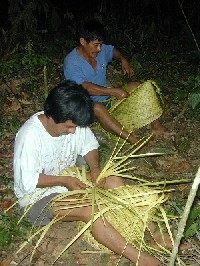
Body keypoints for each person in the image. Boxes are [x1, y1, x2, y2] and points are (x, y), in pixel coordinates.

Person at [13, 80, 162, 265]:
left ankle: (158, 236)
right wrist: (65, 180)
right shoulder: (30, 136)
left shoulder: (71, 120)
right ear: (51, 116)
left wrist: (95, 169)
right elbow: (26, 181)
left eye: (75, 127)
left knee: (114, 181)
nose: (73, 131)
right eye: (68, 127)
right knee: (91, 210)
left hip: (69, 179)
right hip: (37, 198)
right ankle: (139, 258)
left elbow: (89, 145)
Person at [63, 19, 174, 146]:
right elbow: (85, 87)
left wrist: (123, 59)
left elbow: (113, 51)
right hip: (83, 105)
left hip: (107, 99)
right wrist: (113, 91)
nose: (99, 49)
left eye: (100, 44)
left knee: (137, 86)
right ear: (83, 41)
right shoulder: (72, 62)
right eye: (95, 45)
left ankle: (157, 126)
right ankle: (135, 142)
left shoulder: (101, 50)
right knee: (98, 108)